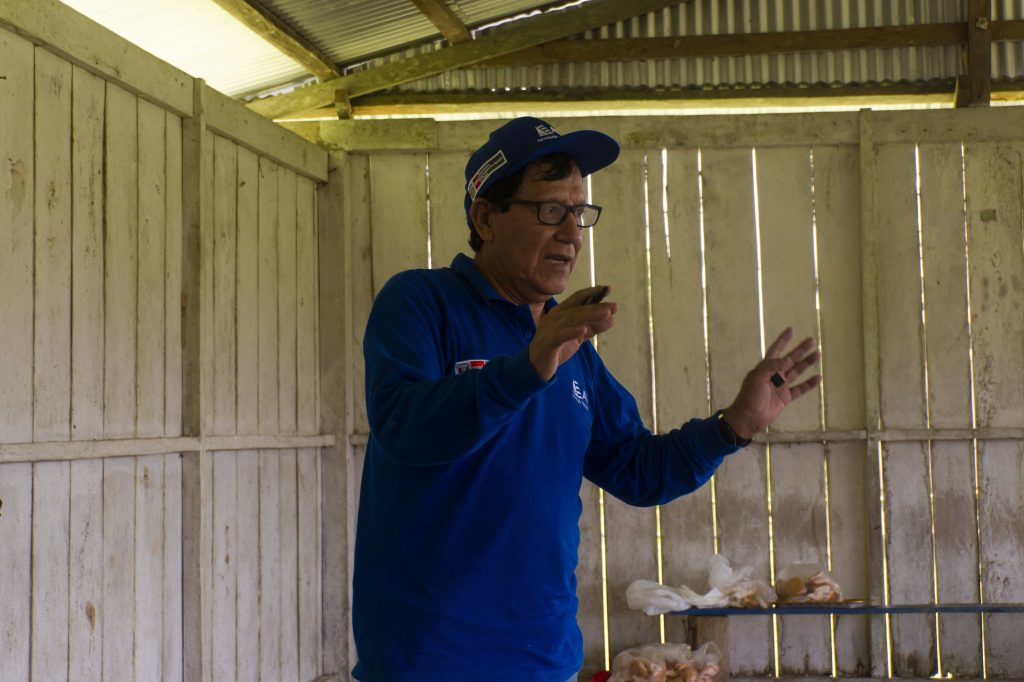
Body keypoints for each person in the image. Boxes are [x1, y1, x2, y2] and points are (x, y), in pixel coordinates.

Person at [351, 117, 821, 681]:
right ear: (486, 218)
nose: (572, 233)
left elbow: (638, 469)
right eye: (550, 210)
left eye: (579, 212)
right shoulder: (422, 302)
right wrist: (526, 368)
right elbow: (402, 425)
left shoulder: (571, 347)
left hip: (546, 661)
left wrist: (734, 425)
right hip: (429, 661)